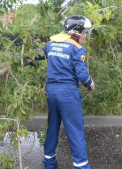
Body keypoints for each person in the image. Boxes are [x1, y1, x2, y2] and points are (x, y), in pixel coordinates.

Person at [40, 15, 95, 169]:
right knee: (75, 131)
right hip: (68, 93)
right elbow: (82, 75)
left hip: (51, 92)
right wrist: (90, 84)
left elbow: (35, 55)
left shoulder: (51, 44)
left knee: (52, 127)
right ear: (76, 32)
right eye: (84, 32)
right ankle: (81, 166)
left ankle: (49, 162)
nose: (84, 35)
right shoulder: (77, 48)